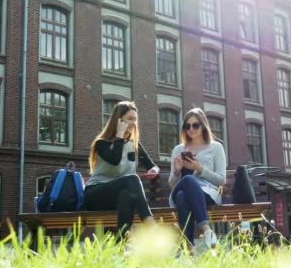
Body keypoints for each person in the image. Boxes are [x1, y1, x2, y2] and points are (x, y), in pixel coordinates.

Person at [84, 101, 160, 237]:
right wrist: (119, 134)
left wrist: (154, 170)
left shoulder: (134, 144)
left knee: (126, 195)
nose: (133, 123)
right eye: (129, 119)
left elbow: (152, 165)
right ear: (118, 120)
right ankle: (151, 226)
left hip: (118, 197)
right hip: (96, 195)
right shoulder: (101, 143)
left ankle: (123, 243)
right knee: (131, 179)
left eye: (135, 120)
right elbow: (115, 160)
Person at [169, 108, 226, 249]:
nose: (191, 129)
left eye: (195, 125)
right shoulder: (178, 150)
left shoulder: (216, 147)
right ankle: (206, 229)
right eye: (187, 126)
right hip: (180, 190)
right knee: (187, 182)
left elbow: (221, 180)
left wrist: (199, 169)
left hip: (207, 193)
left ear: (203, 126)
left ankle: (188, 248)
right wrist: (176, 171)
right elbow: (171, 185)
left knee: (183, 195)